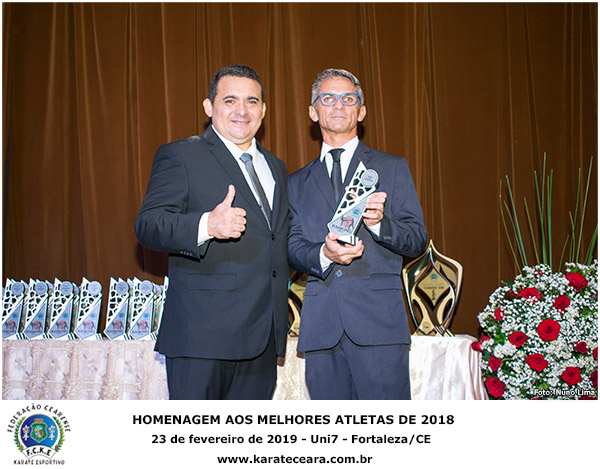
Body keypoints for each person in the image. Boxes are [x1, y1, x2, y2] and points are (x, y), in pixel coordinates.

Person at [135, 64, 289, 400]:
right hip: (202, 338)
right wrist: (207, 225)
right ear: (209, 107)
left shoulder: (276, 167)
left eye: (251, 101)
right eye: (230, 100)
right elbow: (148, 225)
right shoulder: (181, 154)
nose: (242, 111)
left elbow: (277, 241)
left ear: (263, 110)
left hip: (262, 340)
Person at [287, 68, 428, 399]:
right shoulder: (295, 182)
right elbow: (291, 247)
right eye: (328, 98)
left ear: (361, 111)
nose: (338, 105)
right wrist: (324, 254)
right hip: (322, 328)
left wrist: (378, 223)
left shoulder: (392, 167)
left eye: (348, 98)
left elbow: (417, 239)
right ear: (313, 112)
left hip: (379, 324)